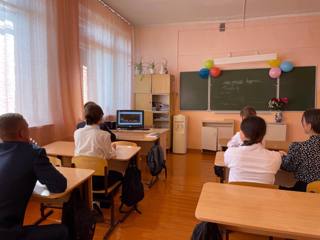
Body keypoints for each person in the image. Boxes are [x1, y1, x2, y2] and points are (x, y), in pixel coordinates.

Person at [0, 113, 68, 240]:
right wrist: (35, 148)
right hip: (7, 234)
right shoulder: (33, 153)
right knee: (63, 231)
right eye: (28, 128)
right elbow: (59, 185)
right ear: (22, 133)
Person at [224, 116, 281, 184]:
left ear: (242, 134)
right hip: (263, 194)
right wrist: (279, 154)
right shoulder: (276, 157)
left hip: (235, 194)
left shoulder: (231, 153)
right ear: (263, 134)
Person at [281, 109, 320, 192]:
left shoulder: (299, 147)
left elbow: (288, 167)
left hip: (306, 189)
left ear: (309, 126)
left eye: (303, 122)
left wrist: (282, 157)